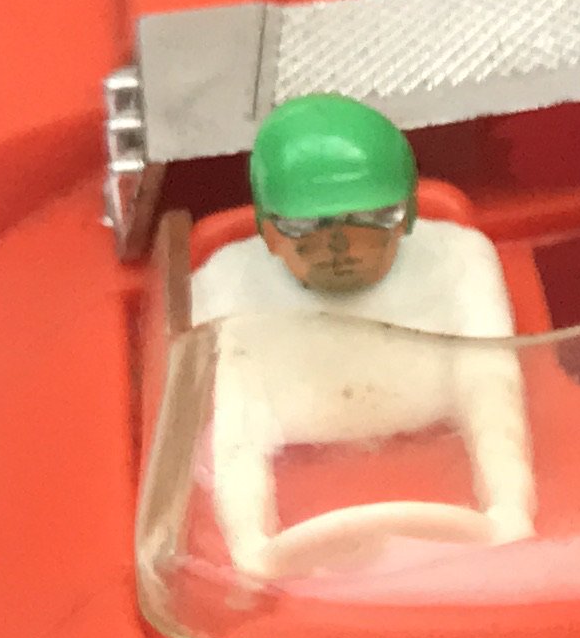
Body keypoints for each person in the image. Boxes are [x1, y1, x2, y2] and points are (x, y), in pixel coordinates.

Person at [188, 92, 535, 576]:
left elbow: (493, 397)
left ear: (408, 216)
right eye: (305, 224)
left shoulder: (455, 264)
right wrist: (249, 550)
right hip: (311, 505)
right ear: (268, 231)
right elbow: (233, 436)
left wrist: (511, 513)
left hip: (440, 497)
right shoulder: (229, 288)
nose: (339, 244)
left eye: (372, 218)